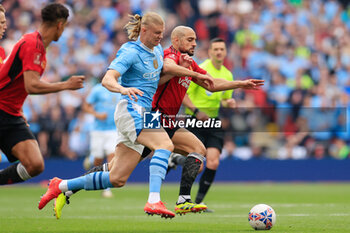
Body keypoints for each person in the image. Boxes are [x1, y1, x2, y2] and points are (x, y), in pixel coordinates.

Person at [51, 26, 263, 219]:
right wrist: (192, 72)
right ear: (177, 40)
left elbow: (212, 84)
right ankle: (67, 188)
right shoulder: (167, 54)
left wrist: (241, 84)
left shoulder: (189, 61)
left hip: (168, 121)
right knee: (116, 172)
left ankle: (183, 201)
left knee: (198, 149)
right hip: (151, 116)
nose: (194, 44)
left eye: (195, 40)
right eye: (190, 40)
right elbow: (169, 68)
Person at [0, 3, 85, 185]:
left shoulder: (34, 43)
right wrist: (66, 85)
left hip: (11, 113)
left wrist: (18, 109)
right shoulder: (33, 44)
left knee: (35, 165)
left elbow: (15, 83)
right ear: (60, 25)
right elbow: (31, 86)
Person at [182, 37, 239, 212]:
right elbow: (183, 94)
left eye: (222, 49)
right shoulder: (201, 70)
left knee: (213, 162)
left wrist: (229, 102)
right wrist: (197, 111)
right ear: (210, 52)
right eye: (215, 49)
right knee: (198, 166)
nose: (219, 52)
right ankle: (185, 199)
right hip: (194, 120)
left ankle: (199, 202)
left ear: (225, 52)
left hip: (213, 121)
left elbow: (224, 97)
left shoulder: (227, 74)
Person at [82, 80, 122, 198]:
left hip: (113, 129)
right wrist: (97, 115)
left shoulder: (120, 89)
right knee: (98, 160)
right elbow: (86, 106)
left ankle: (106, 187)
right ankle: (91, 158)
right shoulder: (98, 89)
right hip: (98, 130)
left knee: (111, 155)